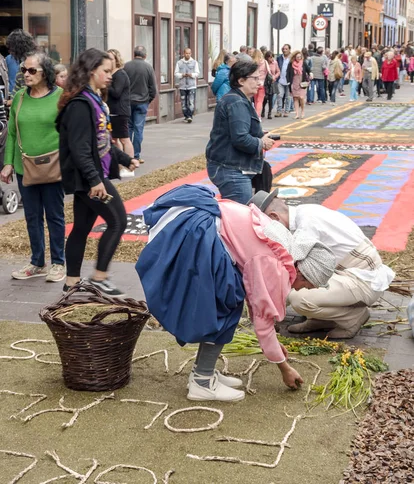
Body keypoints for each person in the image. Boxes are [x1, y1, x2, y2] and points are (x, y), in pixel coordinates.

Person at [136, 184, 336, 402]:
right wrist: (284, 368)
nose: (301, 290)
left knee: (227, 301)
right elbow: (263, 321)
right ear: (303, 273)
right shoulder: (276, 267)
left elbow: (255, 297)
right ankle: (202, 383)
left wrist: (277, 350)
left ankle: (204, 372)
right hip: (197, 235)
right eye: (306, 286)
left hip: (201, 224)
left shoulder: (284, 247)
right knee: (223, 306)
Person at [250, 191, 395, 339]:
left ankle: (353, 317)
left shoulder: (307, 225)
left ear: (274, 217)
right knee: (296, 287)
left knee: (299, 298)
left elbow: (290, 273)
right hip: (344, 274)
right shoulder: (304, 212)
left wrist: (265, 316)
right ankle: (321, 320)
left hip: (363, 280)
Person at [56, 48, 140, 298]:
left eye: (112, 69)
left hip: (90, 177)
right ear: (92, 71)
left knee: (81, 228)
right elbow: (80, 149)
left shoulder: (93, 100)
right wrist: (95, 181)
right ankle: (100, 277)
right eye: (106, 70)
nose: (110, 75)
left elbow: (101, 141)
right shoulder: (81, 104)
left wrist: (127, 159)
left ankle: (71, 284)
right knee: (118, 220)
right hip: (89, 179)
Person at [0, 52, 65, 282]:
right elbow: (12, 133)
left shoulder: (61, 96)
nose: (26, 74)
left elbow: (69, 132)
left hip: (53, 166)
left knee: (54, 215)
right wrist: (8, 163)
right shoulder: (18, 97)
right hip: (24, 166)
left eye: (32, 70)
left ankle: (58, 263)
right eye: (24, 70)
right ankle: (37, 262)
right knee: (32, 216)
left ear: (45, 72)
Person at [206, 61, 275, 204]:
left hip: (232, 165)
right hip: (231, 169)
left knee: (242, 211)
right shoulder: (236, 102)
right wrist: (261, 142)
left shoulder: (238, 99)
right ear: (241, 80)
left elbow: (239, 131)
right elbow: (240, 138)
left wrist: (259, 135)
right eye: (255, 79)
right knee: (241, 213)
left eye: (259, 78)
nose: (259, 82)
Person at [124, 45, 157, 162]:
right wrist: (148, 100)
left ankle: (127, 155)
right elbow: (153, 88)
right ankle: (136, 155)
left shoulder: (126, 66)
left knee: (129, 128)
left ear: (134, 54)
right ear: (145, 56)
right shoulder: (148, 67)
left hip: (128, 102)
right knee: (138, 129)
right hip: (142, 102)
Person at [106, 49, 134, 177]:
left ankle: (130, 166)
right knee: (115, 140)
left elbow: (116, 93)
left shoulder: (120, 74)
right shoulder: (111, 74)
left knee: (124, 139)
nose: (108, 61)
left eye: (111, 58)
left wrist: (105, 84)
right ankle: (120, 165)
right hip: (112, 111)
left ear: (116, 60)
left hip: (120, 111)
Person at [5, 29, 37, 102]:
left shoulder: (33, 63)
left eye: (11, 48)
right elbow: (18, 86)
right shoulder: (20, 62)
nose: (9, 51)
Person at [174, 47, 199, 124]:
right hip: (182, 86)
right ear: (183, 54)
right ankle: (186, 115)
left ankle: (190, 116)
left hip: (192, 85)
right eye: (186, 53)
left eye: (189, 53)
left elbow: (197, 73)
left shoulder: (194, 62)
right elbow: (176, 73)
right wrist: (182, 75)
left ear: (191, 54)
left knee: (191, 101)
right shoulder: (179, 63)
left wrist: (191, 75)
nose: (187, 55)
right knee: (183, 102)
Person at [286, 50, 311, 120]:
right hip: (294, 82)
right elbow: (287, 73)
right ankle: (297, 113)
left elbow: (309, 70)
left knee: (301, 97)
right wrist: (288, 81)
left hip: (302, 82)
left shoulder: (303, 63)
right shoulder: (291, 64)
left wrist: (311, 74)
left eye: (300, 57)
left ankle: (302, 111)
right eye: (297, 57)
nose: (299, 58)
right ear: (294, 57)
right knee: (295, 98)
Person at [262, 51, 280, 119]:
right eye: (270, 57)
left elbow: (278, 71)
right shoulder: (264, 63)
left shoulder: (275, 63)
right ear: (267, 57)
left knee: (271, 98)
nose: (271, 59)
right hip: (265, 82)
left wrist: (274, 77)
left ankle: (269, 113)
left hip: (272, 82)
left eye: (272, 57)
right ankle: (263, 110)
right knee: (265, 98)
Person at [276, 44, 291, 117]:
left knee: (288, 97)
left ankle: (287, 111)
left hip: (288, 81)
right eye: (284, 49)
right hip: (280, 80)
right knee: (279, 95)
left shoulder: (292, 58)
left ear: (289, 50)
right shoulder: (279, 58)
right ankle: (279, 111)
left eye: (286, 49)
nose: (285, 50)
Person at [252, 49, 266, 117]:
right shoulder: (264, 62)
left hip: (254, 82)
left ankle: (255, 115)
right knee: (260, 101)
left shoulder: (253, 63)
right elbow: (269, 72)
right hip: (262, 83)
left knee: (255, 100)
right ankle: (258, 116)